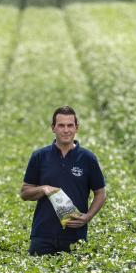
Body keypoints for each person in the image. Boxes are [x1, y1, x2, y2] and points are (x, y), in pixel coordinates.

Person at [20, 106, 106, 255]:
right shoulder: (39, 156)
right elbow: (25, 192)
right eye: (61, 125)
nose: (66, 130)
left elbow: (100, 193)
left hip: (75, 236)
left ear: (76, 128)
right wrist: (43, 189)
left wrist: (88, 217)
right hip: (42, 236)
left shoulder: (88, 158)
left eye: (70, 125)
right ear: (53, 128)